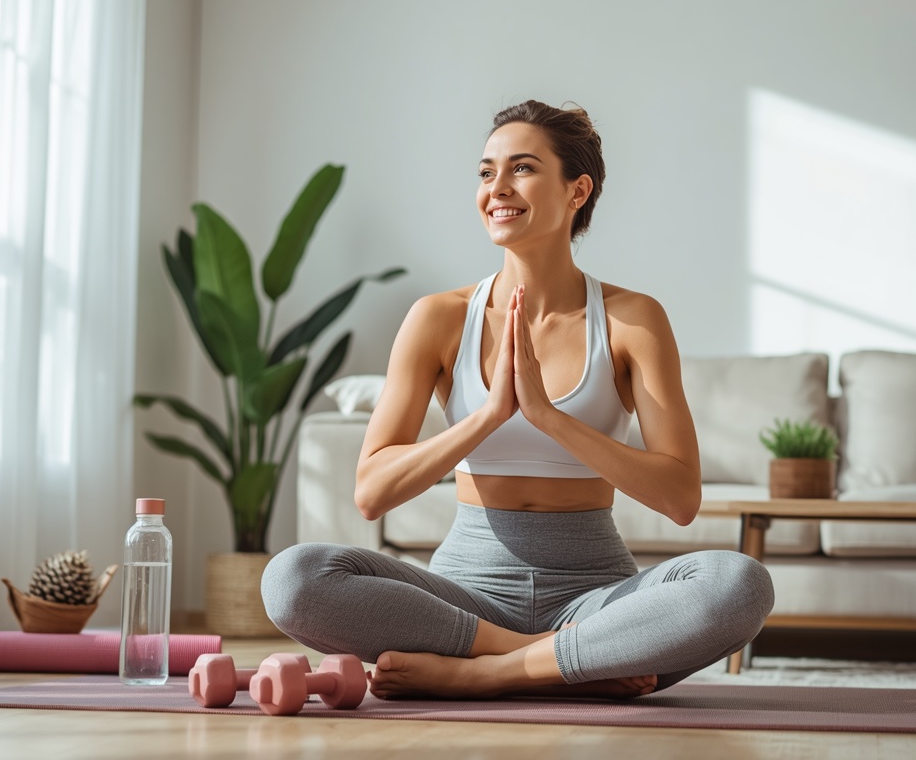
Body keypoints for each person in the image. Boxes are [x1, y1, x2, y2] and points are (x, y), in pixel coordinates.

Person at [262, 100, 774, 700]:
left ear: (577, 190)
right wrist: (486, 417)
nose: (497, 188)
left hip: (595, 595)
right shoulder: (439, 318)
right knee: (291, 578)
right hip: (465, 599)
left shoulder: (633, 320)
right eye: (486, 172)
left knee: (739, 583)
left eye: (522, 168)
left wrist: (550, 418)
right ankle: (562, 663)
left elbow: (681, 497)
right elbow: (372, 493)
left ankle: (483, 674)